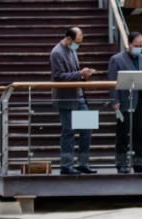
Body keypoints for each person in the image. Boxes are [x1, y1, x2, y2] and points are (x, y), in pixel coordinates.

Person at [50, 26, 97, 175]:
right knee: (68, 131)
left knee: (87, 130)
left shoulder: (72, 50)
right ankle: (66, 165)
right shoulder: (56, 52)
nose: (78, 45)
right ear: (69, 39)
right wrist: (79, 73)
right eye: (77, 41)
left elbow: (74, 73)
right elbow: (58, 76)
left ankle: (83, 163)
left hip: (79, 96)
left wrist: (84, 74)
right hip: (66, 98)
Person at [108, 31, 142, 174]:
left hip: (141, 101)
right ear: (129, 44)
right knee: (123, 134)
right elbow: (112, 81)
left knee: (139, 134)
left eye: (141, 45)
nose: (139, 47)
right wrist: (114, 101)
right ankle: (121, 163)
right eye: (136, 45)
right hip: (124, 101)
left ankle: (139, 163)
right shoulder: (116, 59)